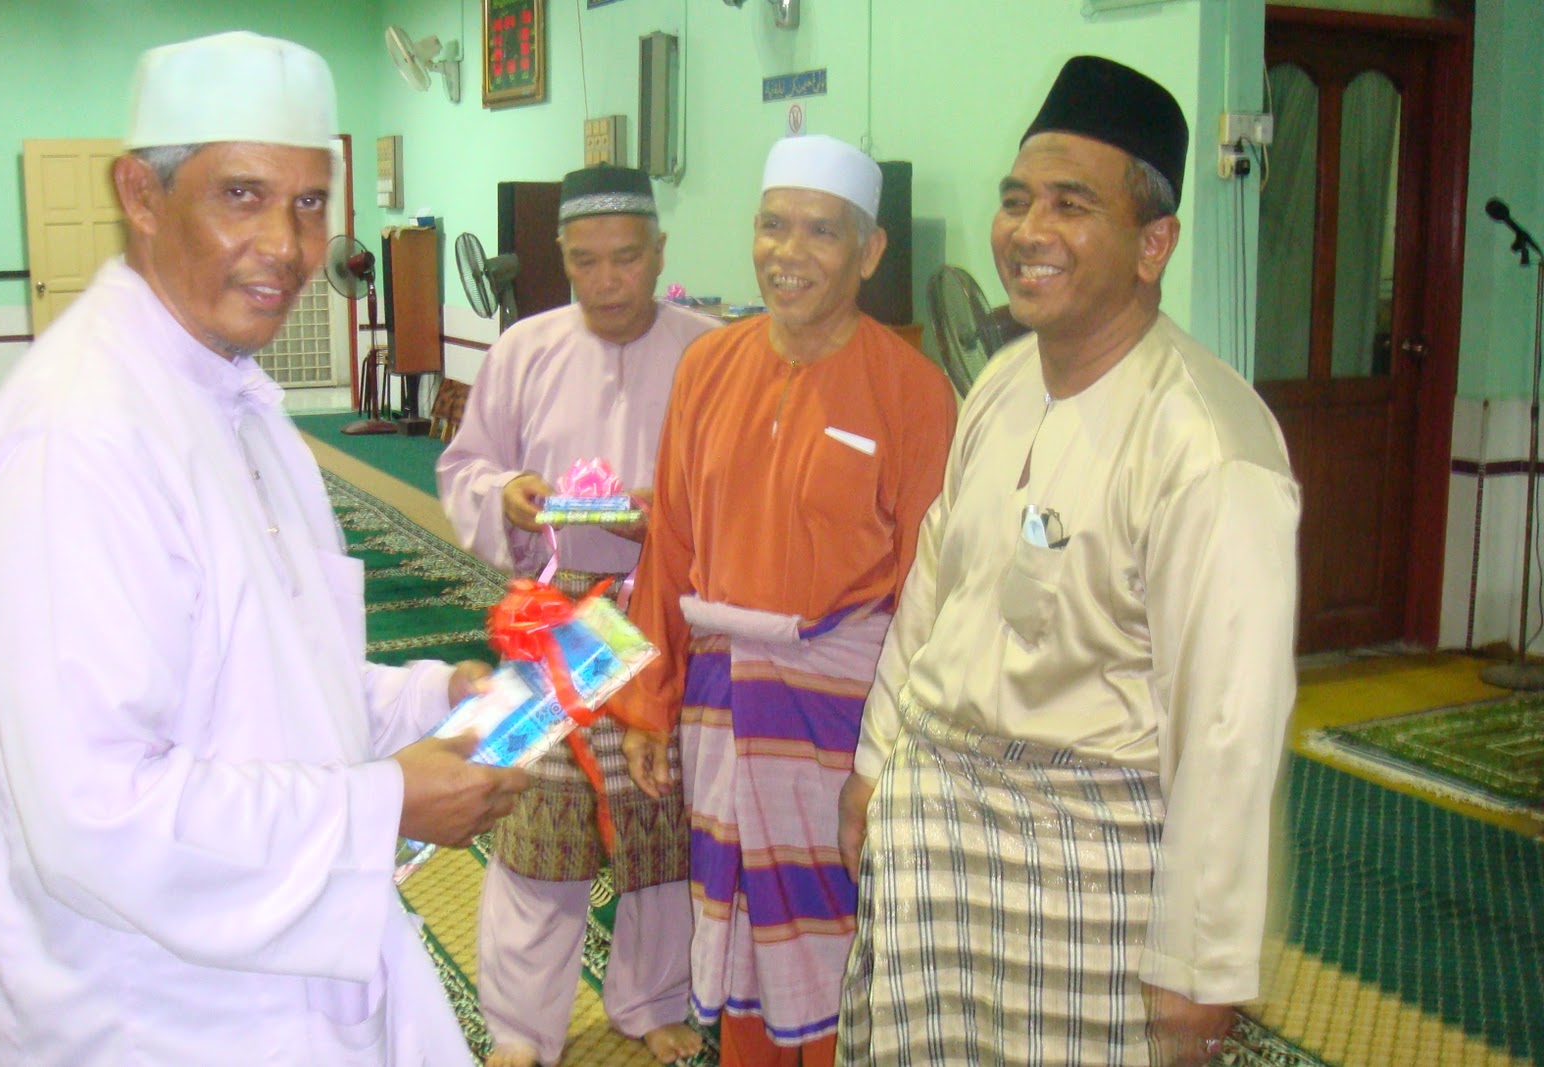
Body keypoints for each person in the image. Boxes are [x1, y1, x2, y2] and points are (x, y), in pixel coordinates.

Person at [0, 31, 531, 1066]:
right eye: (244, 196)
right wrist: (385, 800)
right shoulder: (80, 440)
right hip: (147, 1011)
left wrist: (430, 697)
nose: (291, 246)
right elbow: (95, 810)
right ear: (139, 192)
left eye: (310, 202)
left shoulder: (236, 399)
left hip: (262, 984)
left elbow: (265, 675)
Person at [834, 56, 1301, 1067]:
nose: (1027, 230)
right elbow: (933, 586)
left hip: (1087, 867)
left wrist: (1199, 954)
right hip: (941, 829)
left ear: (1154, 243)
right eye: (1016, 199)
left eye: (1071, 204)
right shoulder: (1001, 383)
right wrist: (875, 763)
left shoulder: (1206, 443)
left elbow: (1230, 725)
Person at [615, 134, 958, 1067]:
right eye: (772, 225)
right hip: (726, 721)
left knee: (844, 951)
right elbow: (673, 550)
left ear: (870, 252)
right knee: (739, 951)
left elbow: (934, 590)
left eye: (820, 232)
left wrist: (895, 755)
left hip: (844, 736)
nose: (788, 252)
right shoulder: (708, 367)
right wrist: (648, 703)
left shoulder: (916, 392)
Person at [435, 164, 716, 1067]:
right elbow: (464, 467)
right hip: (553, 621)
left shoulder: (710, 353)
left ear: (659, 253)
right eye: (585, 261)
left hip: (664, 626)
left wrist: (666, 517)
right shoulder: (524, 347)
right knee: (528, 828)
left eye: (626, 260)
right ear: (562, 257)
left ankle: (652, 1001)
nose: (605, 282)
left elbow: (737, 494)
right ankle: (520, 1030)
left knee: (662, 829)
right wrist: (508, 494)